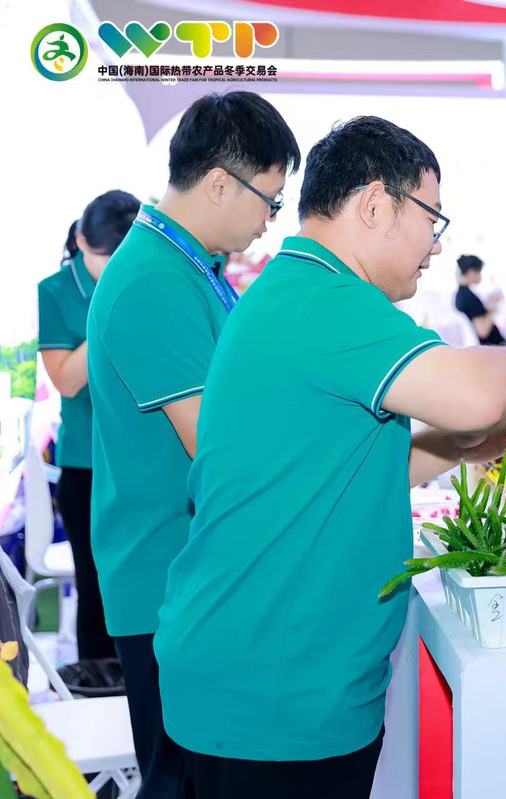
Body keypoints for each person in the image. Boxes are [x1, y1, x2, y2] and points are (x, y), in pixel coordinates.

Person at [153, 116, 506, 798]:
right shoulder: (327, 300)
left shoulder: (299, 290)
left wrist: (462, 447)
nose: (437, 245)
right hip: (274, 688)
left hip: (269, 670)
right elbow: (475, 396)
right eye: (432, 218)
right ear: (376, 204)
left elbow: (345, 470)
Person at [87, 91, 300, 795]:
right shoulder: (153, 280)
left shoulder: (188, 266)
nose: (269, 221)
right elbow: (216, 445)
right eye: (269, 199)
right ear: (218, 183)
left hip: (187, 572)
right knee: (181, 782)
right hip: (166, 579)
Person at [37, 190, 139, 691]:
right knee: (96, 590)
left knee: (145, 585)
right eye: (106, 259)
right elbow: (67, 380)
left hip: (142, 462)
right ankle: (97, 692)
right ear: (81, 241)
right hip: (87, 467)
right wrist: (110, 302)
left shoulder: (147, 282)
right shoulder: (56, 291)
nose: (114, 267)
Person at [454, 254, 506, 345]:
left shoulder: (462, 295)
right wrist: (493, 307)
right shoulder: (468, 297)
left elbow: (478, 316)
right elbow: (483, 331)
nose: (480, 276)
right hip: (494, 346)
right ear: (471, 272)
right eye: (479, 272)